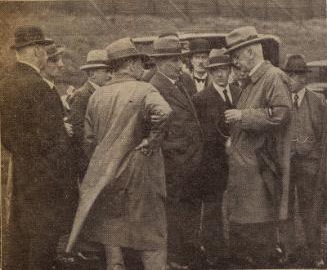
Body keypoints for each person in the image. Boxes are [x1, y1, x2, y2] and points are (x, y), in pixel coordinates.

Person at [66, 38, 172, 270]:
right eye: (139, 63)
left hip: (107, 175)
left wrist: (107, 156)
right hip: (141, 174)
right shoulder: (144, 89)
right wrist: (151, 140)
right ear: (132, 64)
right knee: (152, 237)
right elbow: (163, 112)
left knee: (112, 236)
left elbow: (89, 140)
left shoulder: (97, 96)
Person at [1, 25, 77, 270]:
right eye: (44, 49)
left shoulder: (5, 84)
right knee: (42, 250)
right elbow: (54, 144)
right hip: (46, 185)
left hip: (21, 178)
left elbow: (9, 137)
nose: (46, 54)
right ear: (36, 51)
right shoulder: (40, 88)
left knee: (19, 246)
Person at [223, 26, 292, 268]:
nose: (235, 63)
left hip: (260, 179)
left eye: (237, 57)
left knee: (259, 245)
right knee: (246, 246)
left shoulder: (273, 77)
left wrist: (243, 116)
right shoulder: (251, 82)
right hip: (247, 181)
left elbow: (281, 114)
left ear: (251, 52)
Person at [150, 36, 203, 269]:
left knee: (189, 208)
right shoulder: (155, 87)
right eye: (173, 60)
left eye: (179, 59)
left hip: (192, 159)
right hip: (174, 162)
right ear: (160, 62)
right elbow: (157, 130)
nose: (179, 64)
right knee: (174, 211)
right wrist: (175, 153)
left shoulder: (183, 82)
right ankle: (175, 257)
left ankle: (187, 252)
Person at [192, 48, 241, 266]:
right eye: (216, 71)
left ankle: (237, 248)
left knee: (238, 205)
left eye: (224, 70)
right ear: (210, 73)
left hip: (239, 161)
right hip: (213, 162)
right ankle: (215, 253)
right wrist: (225, 143)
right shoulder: (201, 98)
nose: (221, 75)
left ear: (231, 71)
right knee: (213, 207)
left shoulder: (240, 92)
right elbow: (204, 133)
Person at [281, 54, 326, 267]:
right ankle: (289, 251)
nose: (293, 79)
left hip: (309, 165)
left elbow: (322, 136)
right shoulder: (279, 100)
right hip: (286, 164)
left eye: (298, 75)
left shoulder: (317, 102)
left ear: (304, 78)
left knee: (311, 210)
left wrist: (314, 157)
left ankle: (315, 253)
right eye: (290, 75)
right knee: (285, 209)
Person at [67, 49, 111, 179]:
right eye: (106, 71)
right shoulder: (82, 95)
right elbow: (79, 130)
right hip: (89, 160)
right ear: (92, 74)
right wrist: (94, 157)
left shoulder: (103, 92)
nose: (110, 76)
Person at [40, 43, 73, 137]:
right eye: (54, 60)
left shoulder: (52, 88)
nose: (61, 65)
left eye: (60, 60)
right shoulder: (38, 91)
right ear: (41, 63)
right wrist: (61, 127)